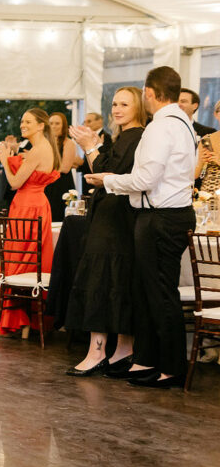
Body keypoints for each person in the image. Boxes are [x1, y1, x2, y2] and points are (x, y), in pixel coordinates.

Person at [87, 66, 196, 389]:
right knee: (148, 293)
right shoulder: (184, 123)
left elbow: (145, 180)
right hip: (170, 214)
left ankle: (173, 367)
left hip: (160, 217)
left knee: (160, 295)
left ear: (148, 94)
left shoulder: (160, 128)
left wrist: (107, 180)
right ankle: (148, 359)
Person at [63, 87, 147, 376]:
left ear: (139, 107)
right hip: (113, 217)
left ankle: (98, 351)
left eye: (125, 104)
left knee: (102, 280)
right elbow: (103, 174)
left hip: (116, 219)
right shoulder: (122, 137)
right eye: (114, 103)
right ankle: (121, 349)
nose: (117, 109)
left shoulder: (135, 137)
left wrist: (89, 147)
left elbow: (110, 177)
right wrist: (93, 150)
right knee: (113, 280)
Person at [0, 109, 60, 336]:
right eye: (21, 120)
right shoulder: (39, 148)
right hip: (33, 205)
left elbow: (15, 182)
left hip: (28, 206)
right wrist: (12, 156)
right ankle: (25, 322)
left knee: (19, 259)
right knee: (26, 260)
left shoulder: (39, 150)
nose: (22, 125)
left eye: (27, 121)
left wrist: (3, 161)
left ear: (41, 125)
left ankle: (20, 320)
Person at [45, 112, 78, 222]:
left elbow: (65, 168)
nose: (54, 126)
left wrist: (43, 167)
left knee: (59, 218)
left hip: (61, 185)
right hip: (47, 184)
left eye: (57, 123)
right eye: (51, 123)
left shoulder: (68, 143)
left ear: (63, 126)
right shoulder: (44, 143)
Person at [77, 111, 111, 194]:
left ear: (100, 121)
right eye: (84, 122)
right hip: (88, 176)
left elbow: (103, 158)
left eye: (89, 121)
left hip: (98, 178)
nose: (86, 124)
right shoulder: (88, 136)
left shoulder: (106, 137)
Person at [194, 100, 220, 193]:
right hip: (208, 193)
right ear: (216, 115)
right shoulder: (207, 140)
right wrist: (201, 160)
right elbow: (195, 175)